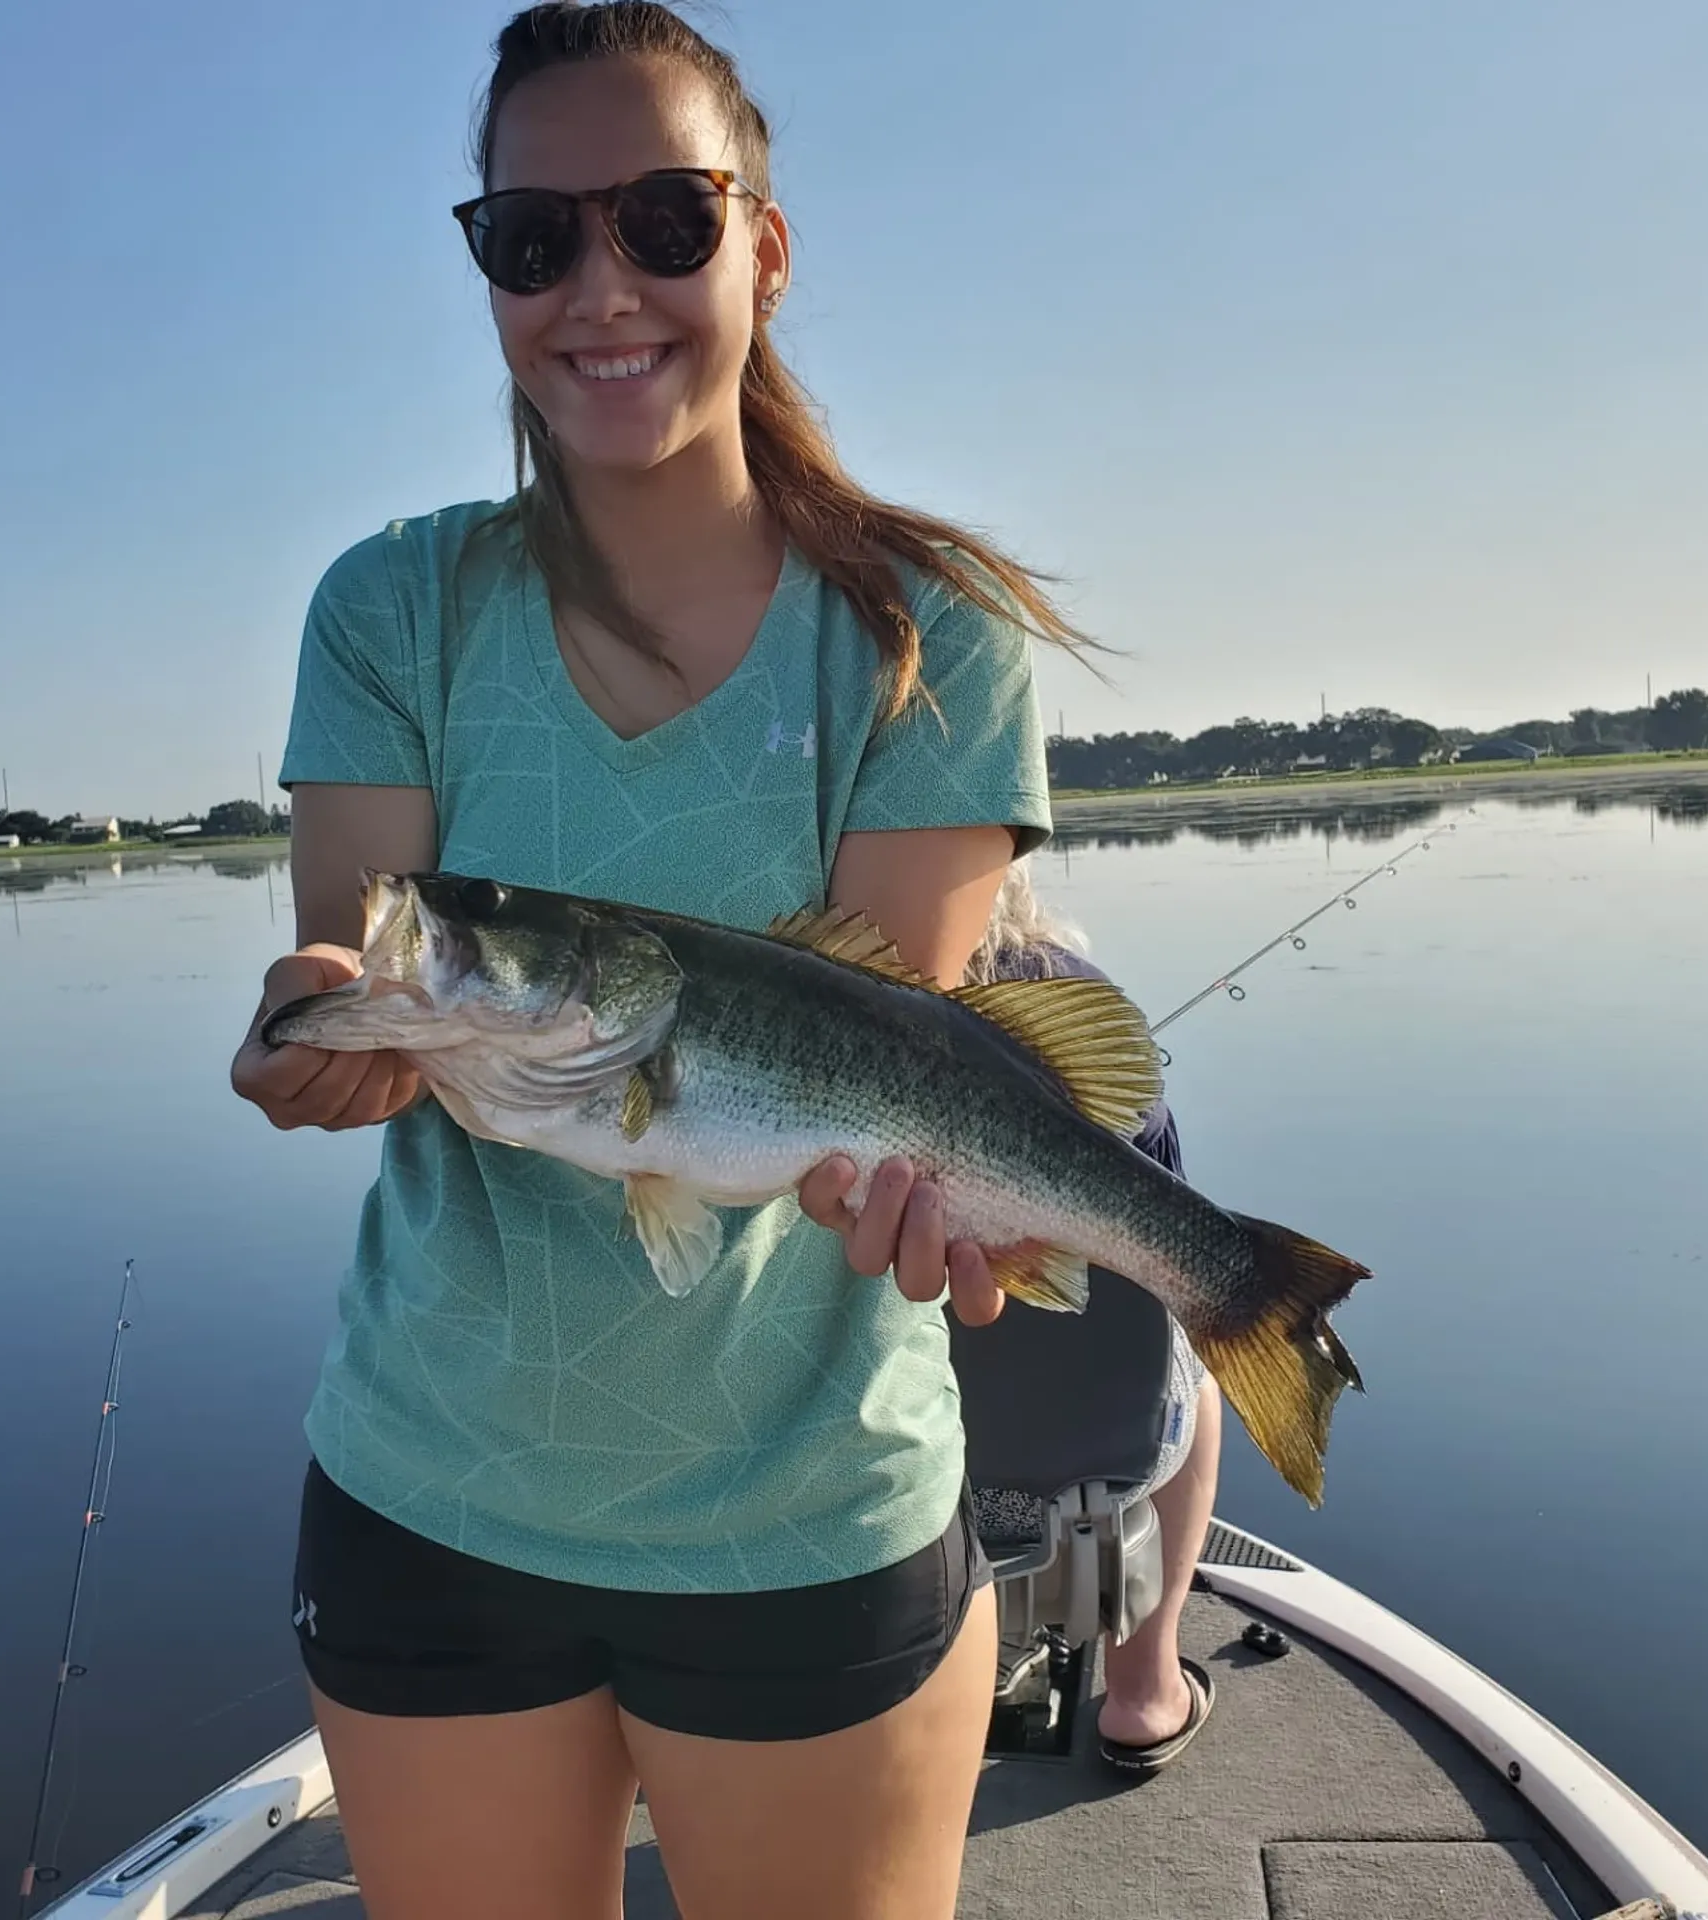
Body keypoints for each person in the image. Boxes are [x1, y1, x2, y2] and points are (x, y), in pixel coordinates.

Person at [228, 6, 1090, 1916]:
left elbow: (903, 1040)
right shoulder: (391, 605)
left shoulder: (923, 633)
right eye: (533, 239)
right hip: (429, 1496)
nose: (597, 288)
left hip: (811, 1518)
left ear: (763, 248)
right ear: (487, 270)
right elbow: (346, 939)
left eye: (665, 221)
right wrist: (314, 1020)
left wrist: (960, 1213)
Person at [965, 861, 1224, 1774]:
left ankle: (974, 1643)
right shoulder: (1075, 1000)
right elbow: (1168, 1204)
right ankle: (1145, 1688)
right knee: (1198, 1362)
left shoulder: (819, 1000)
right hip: (1115, 1442)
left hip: (945, 1471)